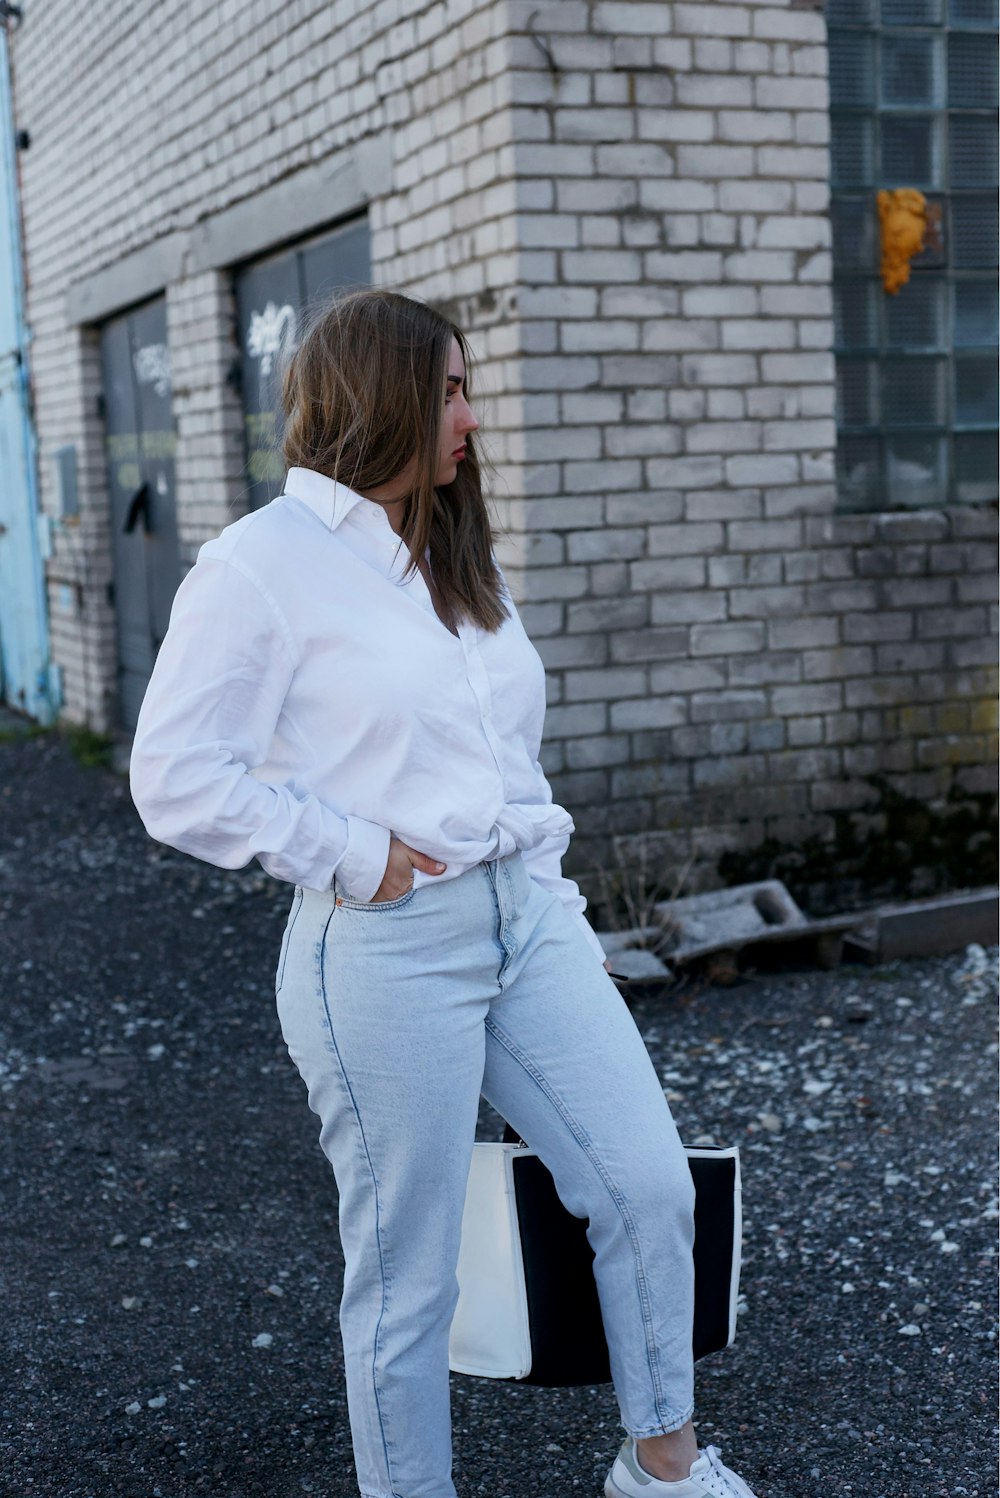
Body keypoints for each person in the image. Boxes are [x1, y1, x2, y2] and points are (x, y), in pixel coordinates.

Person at [129, 288, 759, 1498]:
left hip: (524, 915)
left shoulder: (454, 551)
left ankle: (663, 1465)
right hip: (381, 943)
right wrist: (354, 853)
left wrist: (548, 901)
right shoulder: (263, 564)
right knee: (408, 1271)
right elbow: (176, 778)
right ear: (378, 399)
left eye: (468, 389)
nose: (471, 416)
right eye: (451, 390)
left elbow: (504, 766)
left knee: (645, 1182)